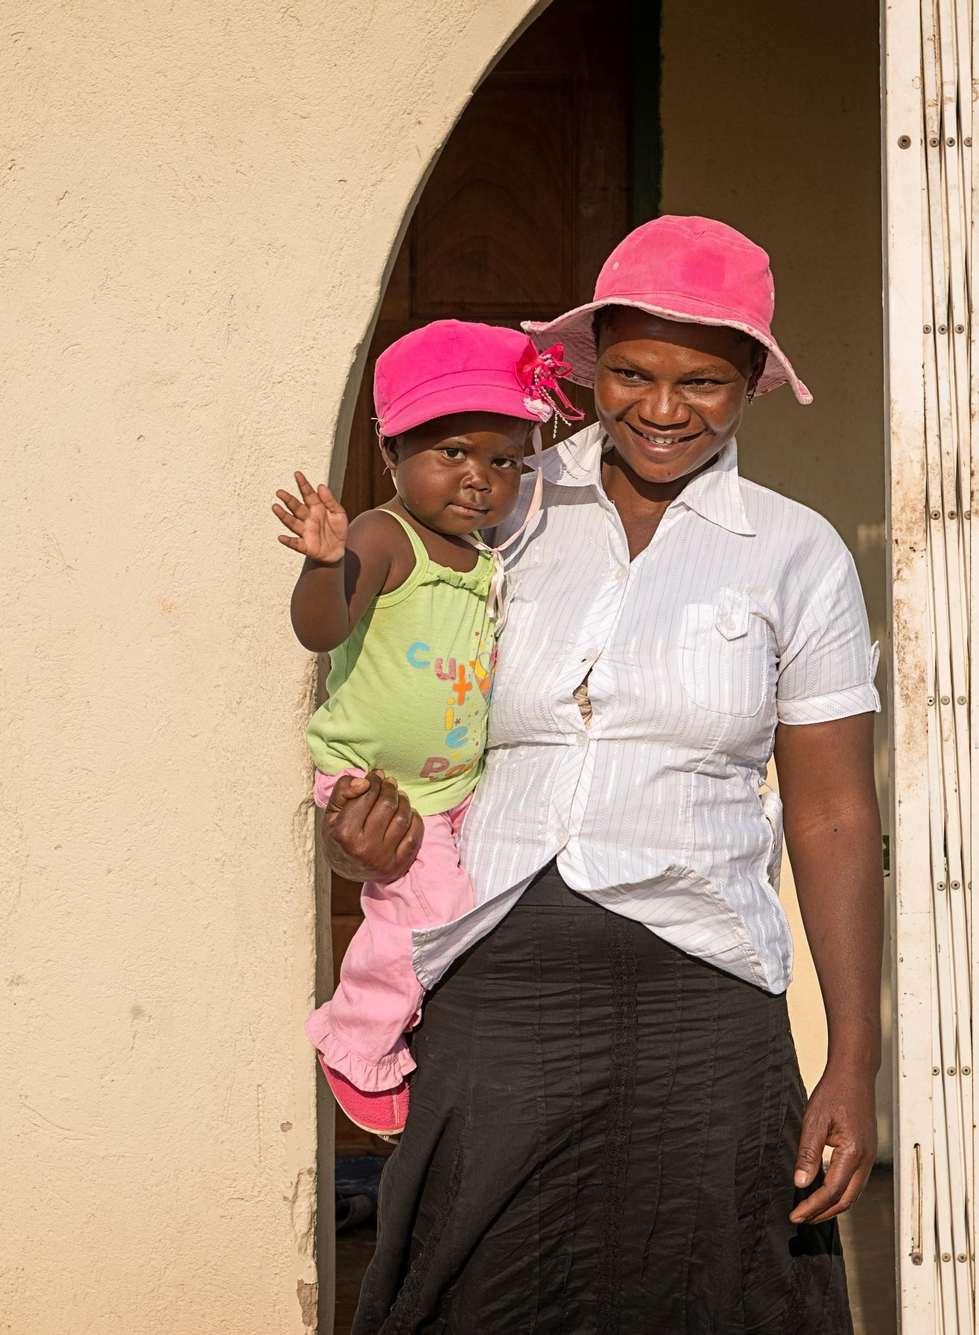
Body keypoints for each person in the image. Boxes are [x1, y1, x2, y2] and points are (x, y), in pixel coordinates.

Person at [324, 216, 883, 1332]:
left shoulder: (793, 551)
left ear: (752, 385)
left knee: (706, 1289)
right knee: (472, 1289)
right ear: (586, 367)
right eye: (630, 372)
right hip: (496, 976)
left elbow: (829, 815)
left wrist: (853, 1061)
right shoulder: (498, 509)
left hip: (705, 994)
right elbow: (386, 689)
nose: (663, 409)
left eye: (704, 382)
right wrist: (357, 826)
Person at [275, 319, 574, 1136]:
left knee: (489, 909)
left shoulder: (486, 561)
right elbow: (322, 630)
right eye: (452, 452)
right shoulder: (385, 535)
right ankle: (356, 1038)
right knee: (432, 903)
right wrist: (325, 564)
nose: (480, 478)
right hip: (379, 782)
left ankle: (438, 1046)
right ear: (393, 454)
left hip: (456, 789)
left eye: (504, 459)